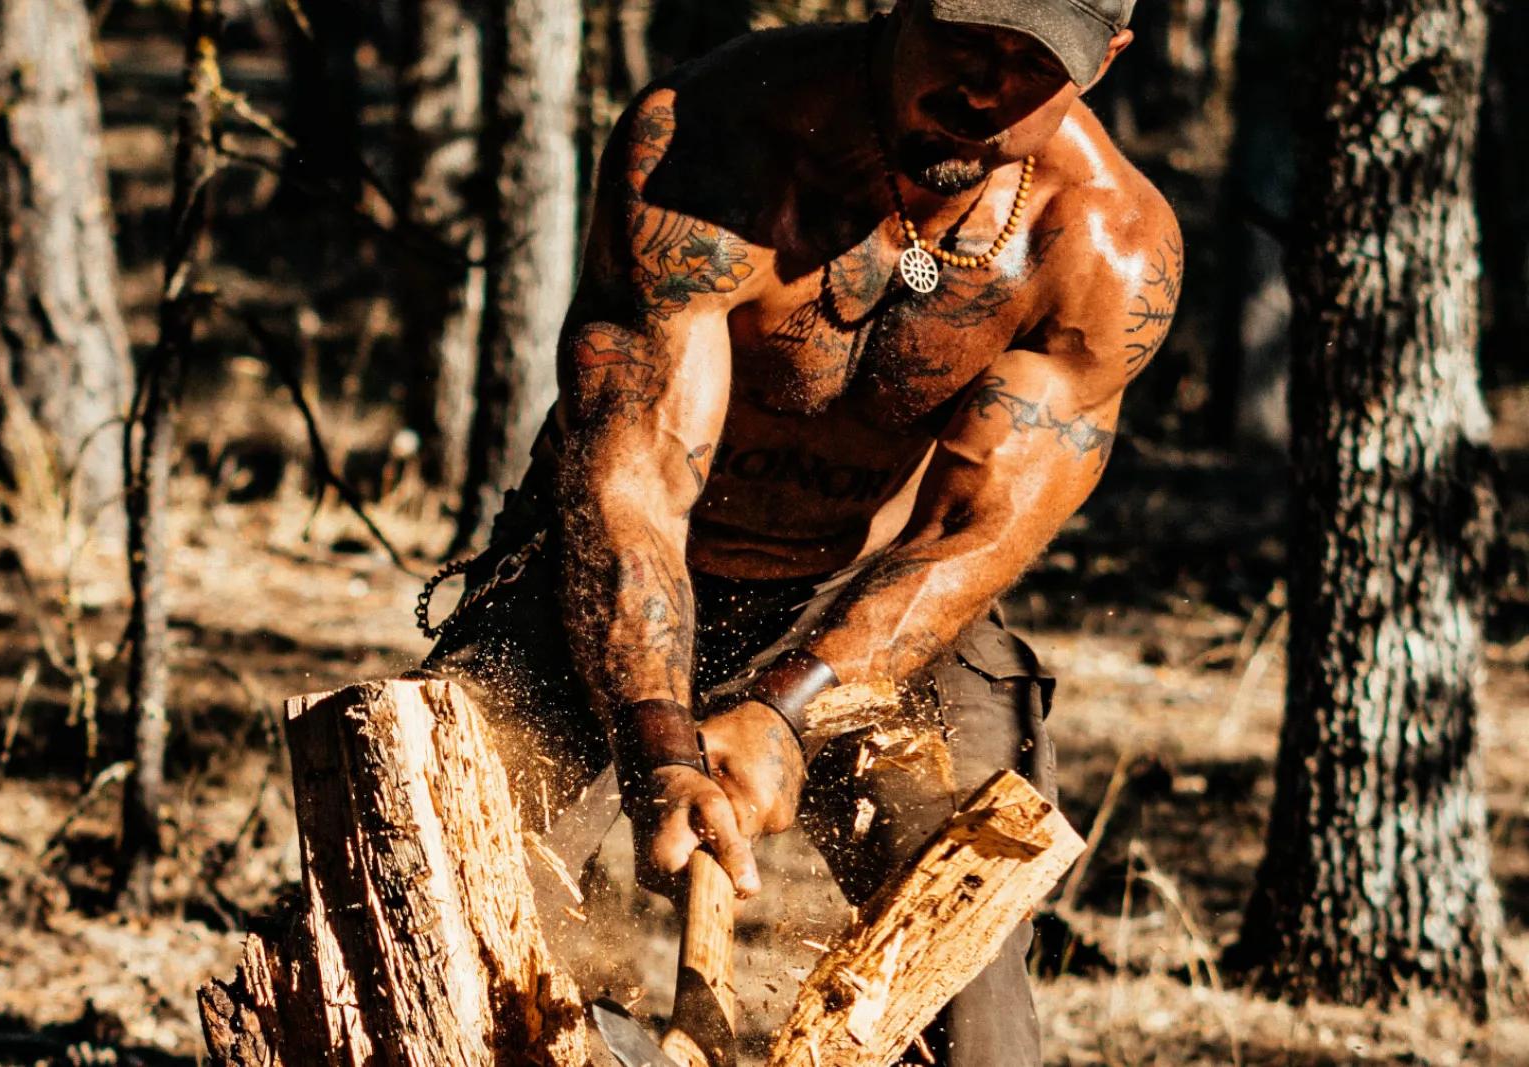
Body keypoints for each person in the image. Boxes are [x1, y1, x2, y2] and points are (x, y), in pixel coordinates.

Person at [418, 0, 1179, 1062]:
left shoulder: (1105, 246)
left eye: (1030, 64)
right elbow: (635, 485)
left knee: (965, 949)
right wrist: (658, 738)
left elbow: (974, 527)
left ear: (1106, 62)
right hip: (612, 565)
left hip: (881, 598)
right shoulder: (714, 139)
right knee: (426, 877)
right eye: (963, 38)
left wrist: (788, 709)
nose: (981, 87)